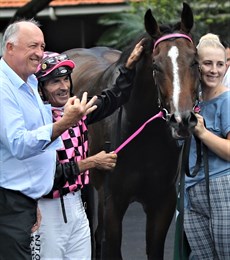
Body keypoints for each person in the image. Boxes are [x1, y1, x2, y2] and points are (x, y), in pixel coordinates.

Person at [31, 43, 144, 259]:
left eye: (66, 79)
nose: (64, 86)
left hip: (78, 207)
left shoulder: (77, 110)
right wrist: (92, 163)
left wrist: (128, 67)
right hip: (47, 212)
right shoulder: (36, 123)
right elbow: (46, 175)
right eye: (55, 81)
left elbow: (113, 98)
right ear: (40, 87)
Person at [0, 19, 98, 260]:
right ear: (10, 47)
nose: (39, 53)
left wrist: (32, 201)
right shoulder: (3, 87)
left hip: (30, 203)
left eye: (42, 47)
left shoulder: (30, 82)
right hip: (13, 204)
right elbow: (20, 144)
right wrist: (65, 122)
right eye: (32, 46)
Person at [184, 33, 230, 259]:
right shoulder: (192, 102)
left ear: (226, 66)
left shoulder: (227, 100)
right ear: (197, 66)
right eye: (208, 63)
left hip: (223, 188)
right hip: (191, 191)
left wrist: (202, 132)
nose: (214, 70)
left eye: (220, 64)